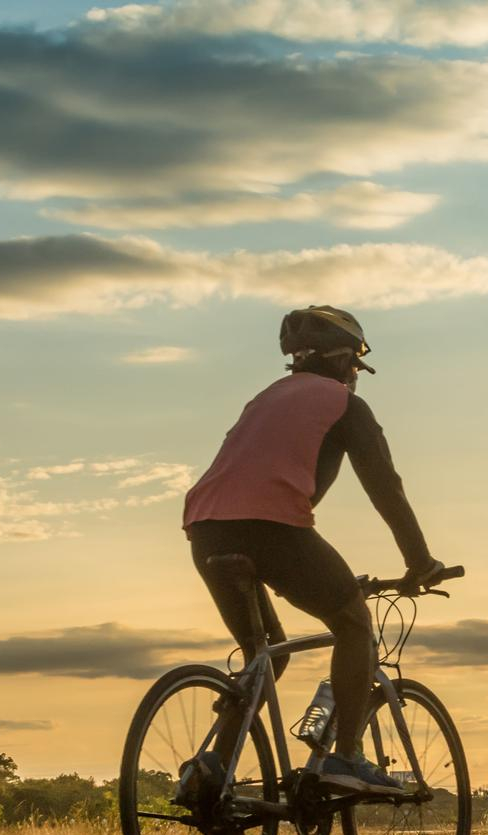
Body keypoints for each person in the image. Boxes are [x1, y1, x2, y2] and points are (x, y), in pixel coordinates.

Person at [181, 305, 446, 795]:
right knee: (352, 620)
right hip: (272, 529)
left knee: (266, 655)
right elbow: (386, 487)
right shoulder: (344, 404)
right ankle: (344, 759)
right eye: (357, 368)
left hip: (206, 530)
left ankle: (213, 770)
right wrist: (419, 562)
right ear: (347, 361)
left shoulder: (266, 398)